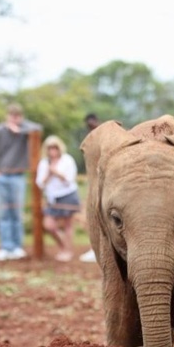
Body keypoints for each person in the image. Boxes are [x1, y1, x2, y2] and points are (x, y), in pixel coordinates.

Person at [0, 104, 41, 261]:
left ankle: (17, 247)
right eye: (12, 115)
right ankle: (5, 247)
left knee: (17, 213)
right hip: (1, 176)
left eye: (18, 116)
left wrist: (20, 129)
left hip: (18, 177)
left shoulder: (26, 130)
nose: (15, 118)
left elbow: (38, 128)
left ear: (21, 117)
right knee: (3, 213)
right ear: (7, 116)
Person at [36, 135, 82, 262]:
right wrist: (49, 174)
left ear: (59, 148)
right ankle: (64, 246)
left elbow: (70, 180)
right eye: (50, 148)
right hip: (52, 198)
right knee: (49, 225)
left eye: (55, 148)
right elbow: (40, 183)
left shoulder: (67, 160)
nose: (52, 151)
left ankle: (67, 251)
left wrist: (56, 172)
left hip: (68, 195)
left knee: (68, 225)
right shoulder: (44, 163)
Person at [76, 113, 99, 264]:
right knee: (90, 215)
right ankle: (94, 248)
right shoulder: (89, 138)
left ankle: (97, 250)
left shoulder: (103, 135)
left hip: (105, 181)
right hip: (93, 181)